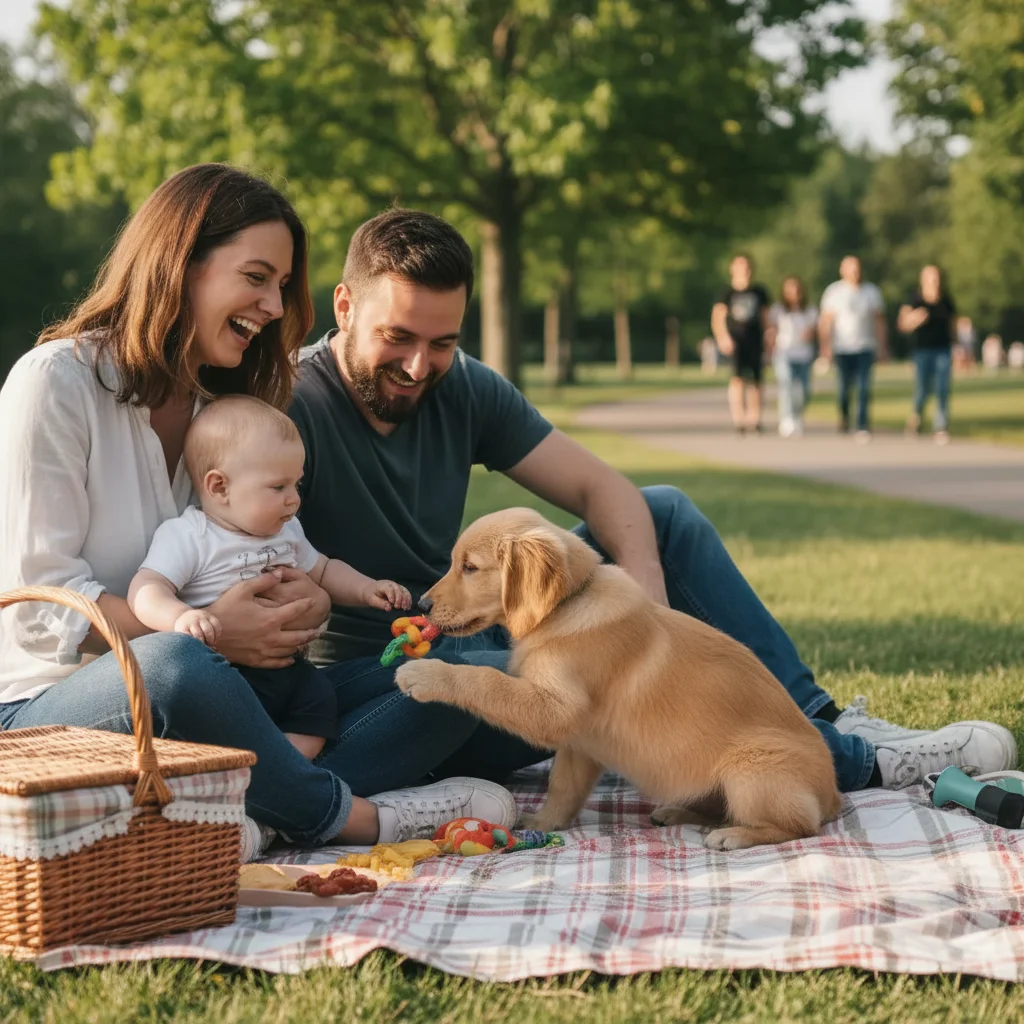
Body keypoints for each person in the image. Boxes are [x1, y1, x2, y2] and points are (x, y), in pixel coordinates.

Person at [289, 207, 1017, 807]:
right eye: (398, 337)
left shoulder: (464, 386)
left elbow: (603, 490)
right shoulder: (289, 407)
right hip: (382, 677)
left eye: (442, 342)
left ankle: (819, 722)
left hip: (480, 624)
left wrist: (645, 604)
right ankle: (854, 765)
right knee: (506, 664)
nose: (420, 366)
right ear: (345, 307)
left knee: (659, 513)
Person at [0, 164, 519, 858]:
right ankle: (361, 818)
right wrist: (215, 636)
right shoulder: (56, 384)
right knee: (175, 665)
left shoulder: (226, 413)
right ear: (180, 264)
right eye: (256, 277)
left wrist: (299, 602)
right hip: (56, 709)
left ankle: (253, 815)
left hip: (232, 697)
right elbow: (43, 612)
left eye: (280, 286)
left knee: (452, 673)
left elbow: (266, 556)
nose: (275, 307)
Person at [127, 395, 412, 760]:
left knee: (318, 704)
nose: (294, 499)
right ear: (219, 487)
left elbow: (323, 569)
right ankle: (258, 775)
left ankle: (286, 769)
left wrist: (367, 588)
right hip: (227, 673)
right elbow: (146, 588)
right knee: (221, 722)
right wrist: (180, 617)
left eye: (297, 484)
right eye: (279, 487)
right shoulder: (190, 536)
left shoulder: (287, 530)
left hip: (290, 668)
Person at [818, 256, 888, 442]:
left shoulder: (871, 292)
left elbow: (879, 321)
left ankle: (863, 424)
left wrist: (882, 346)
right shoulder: (834, 292)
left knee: (864, 387)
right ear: (842, 270)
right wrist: (825, 346)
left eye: (857, 268)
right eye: (850, 268)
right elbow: (826, 322)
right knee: (843, 389)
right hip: (842, 348)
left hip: (865, 346)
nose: (854, 272)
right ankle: (844, 418)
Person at [710, 255, 770, 434]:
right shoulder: (726, 293)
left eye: (746, 267)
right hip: (736, 342)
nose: (744, 271)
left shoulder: (759, 292)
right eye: (740, 267)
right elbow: (718, 317)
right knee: (737, 380)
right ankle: (739, 419)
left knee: (757, 381)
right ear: (732, 269)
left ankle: (755, 418)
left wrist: (769, 335)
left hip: (755, 340)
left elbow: (766, 316)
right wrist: (722, 338)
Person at [898, 265, 956, 445]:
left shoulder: (946, 300)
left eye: (936, 277)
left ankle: (940, 426)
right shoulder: (914, 299)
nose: (934, 281)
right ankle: (916, 417)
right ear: (923, 279)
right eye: (930, 277)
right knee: (923, 389)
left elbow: (952, 326)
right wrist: (915, 318)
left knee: (942, 388)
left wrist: (958, 347)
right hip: (922, 351)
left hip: (943, 350)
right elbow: (903, 325)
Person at [767, 276, 817, 437]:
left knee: (803, 390)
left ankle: (798, 416)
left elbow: (814, 330)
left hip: (803, 354)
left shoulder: (810, 311)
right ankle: (787, 419)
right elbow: (772, 330)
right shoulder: (778, 310)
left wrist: (809, 334)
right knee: (787, 386)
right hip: (784, 353)